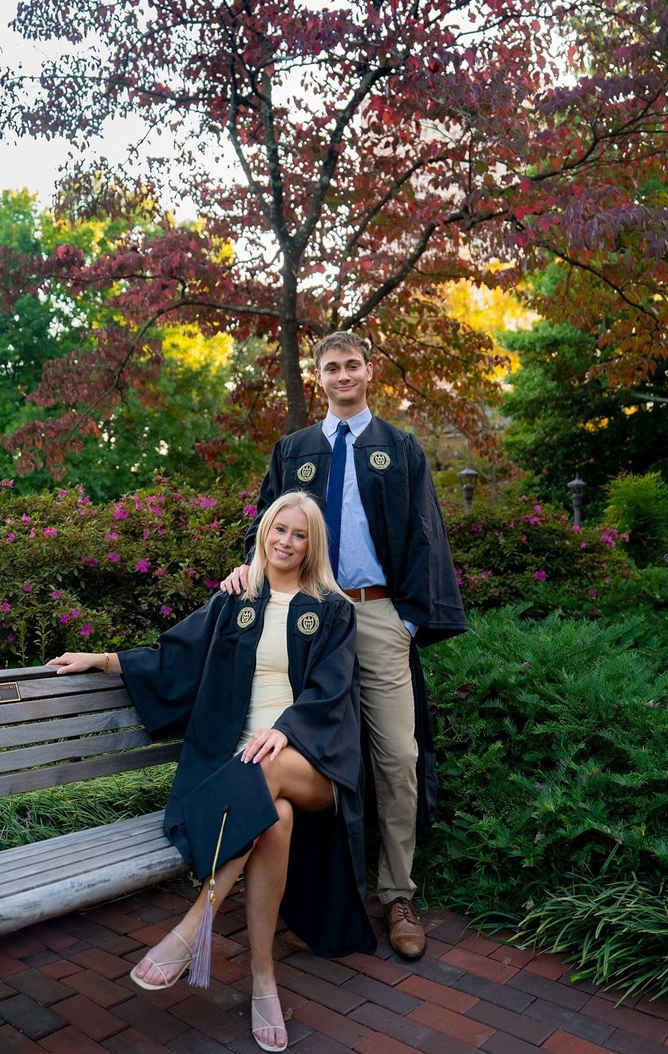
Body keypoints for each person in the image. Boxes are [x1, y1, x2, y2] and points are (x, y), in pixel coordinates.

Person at [48, 491, 375, 1053]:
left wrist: (288, 729)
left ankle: (194, 925)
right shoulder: (236, 599)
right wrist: (101, 660)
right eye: (278, 530)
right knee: (274, 819)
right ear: (264, 532)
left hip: (311, 760)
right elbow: (175, 657)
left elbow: (333, 690)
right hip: (238, 763)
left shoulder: (334, 610)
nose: (286, 542)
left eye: (299, 535)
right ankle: (263, 980)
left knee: (271, 776)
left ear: (312, 544)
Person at [221, 331, 467, 960]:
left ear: (368, 371)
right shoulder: (295, 449)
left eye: (352, 364)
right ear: (318, 378)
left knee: (396, 758)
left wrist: (408, 620)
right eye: (331, 367)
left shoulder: (399, 448)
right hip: (306, 621)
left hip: (375, 612)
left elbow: (424, 533)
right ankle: (311, 889)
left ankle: (398, 891)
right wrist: (246, 573)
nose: (343, 374)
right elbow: (268, 528)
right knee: (310, 752)